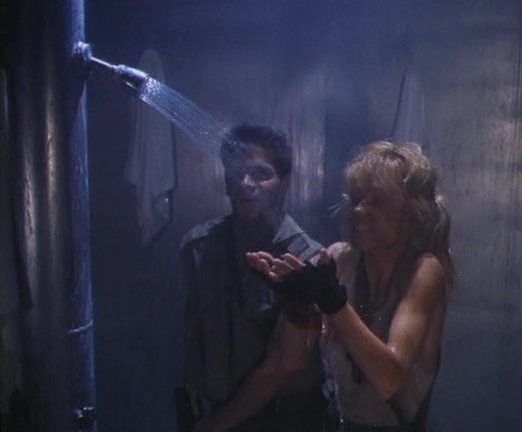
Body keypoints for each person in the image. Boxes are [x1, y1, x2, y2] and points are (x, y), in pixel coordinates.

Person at [247, 141, 454, 432]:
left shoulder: (424, 271)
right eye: (356, 197)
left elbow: (390, 380)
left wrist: (335, 303)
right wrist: (295, 302)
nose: (359, 209)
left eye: (377, 200)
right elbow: (290, 360)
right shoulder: (340, 259)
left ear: (411, 211)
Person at [181, 123, 327, 432]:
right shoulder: (200, 247)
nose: (246, 183)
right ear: (226, 181)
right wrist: (193, 373)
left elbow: (281, 366)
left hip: (286, 419)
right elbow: (195, 320)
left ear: (285, 183)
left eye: (261, 174)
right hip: (219, 406)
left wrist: (212, 428)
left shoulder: (306, 260)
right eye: (237, 172)